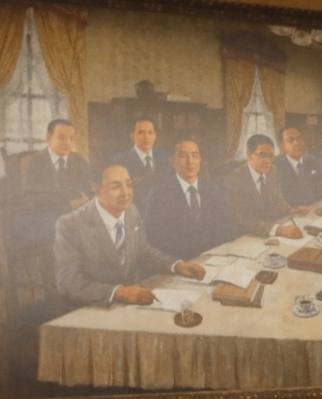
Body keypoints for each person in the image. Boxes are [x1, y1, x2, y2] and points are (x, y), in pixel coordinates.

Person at [54, 163, 204, 307]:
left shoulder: (131, 212)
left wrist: (175, 265)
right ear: (96, 188)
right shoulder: (70, 225)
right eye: (116, 186)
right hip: (91, 308)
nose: (126, 192)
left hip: (132, 305)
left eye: (128, 184)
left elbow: (143, 251)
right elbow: (68, 282)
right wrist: (120, 292)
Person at [142, 138, 231, 260]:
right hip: (178, 264)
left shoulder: (213, 190)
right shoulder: (158, 196)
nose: (190, 162)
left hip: (212, 260)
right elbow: (155, 240)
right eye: (183, 156)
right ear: (172, 161)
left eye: (195, 156)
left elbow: (224, 229)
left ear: (200, 160)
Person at [18, 119, 93, 241]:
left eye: (71, 138)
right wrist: (69, 205)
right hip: (45, 219)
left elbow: (89, 190)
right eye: (62, 137)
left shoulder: (79, 160)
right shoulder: (34, 162)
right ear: (49, 137)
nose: (67, 143)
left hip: (76, 217)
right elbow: (32, 201)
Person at [223, 134, 307, 239]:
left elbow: (278, 200)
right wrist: (279, 229)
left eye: (271, 156)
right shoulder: (234, 180)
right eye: (262, 155)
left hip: (271, 234)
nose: (268, 161)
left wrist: (292, 210)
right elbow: (243, 219)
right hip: (246, 237)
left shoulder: (273, 171)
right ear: (249, 154)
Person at [275, 126, 322, 207]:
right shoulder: (276, 167)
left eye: (299, 139)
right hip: (295, 214)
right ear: (282, 145)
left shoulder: (314, 161)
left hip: (317, 209)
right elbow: (277, 200)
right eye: (290, 140)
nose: (297, 143)